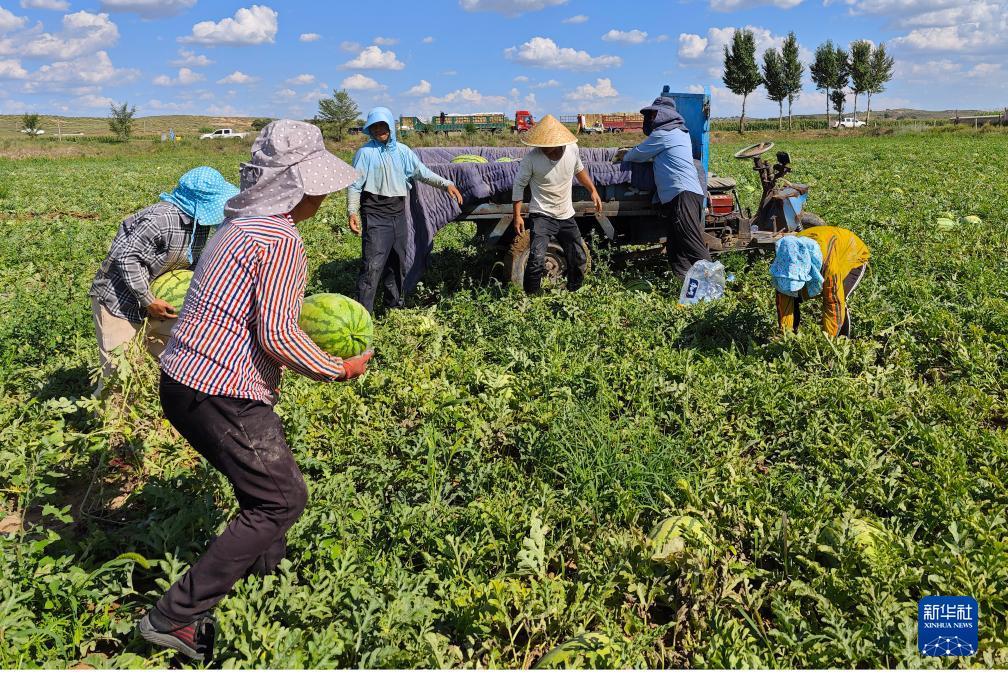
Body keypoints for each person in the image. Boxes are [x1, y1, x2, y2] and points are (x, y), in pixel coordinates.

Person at [138, 120, 371, 663]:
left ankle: (273, 581)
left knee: (262, 490)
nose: (321, 194)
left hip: (183, 379)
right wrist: (338, 368)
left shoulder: (237, 223)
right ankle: (174, 617)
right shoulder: (278, 238)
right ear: (295, 184)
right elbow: (279, 334)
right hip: (221, 389)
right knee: (282, 498)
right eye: (315, 183)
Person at [88, 167, 238, 397]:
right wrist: (148, 300)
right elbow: (126, 258)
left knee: (175, 360)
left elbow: (191, 264)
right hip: (119, 302)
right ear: (198, 202)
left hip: (157, 303)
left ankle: (165, 411)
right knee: (116, 375)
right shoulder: (160, 219)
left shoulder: (199, 225)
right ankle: (110, 426)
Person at [346, 106, 463, 314]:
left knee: (397, 262)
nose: (379, 130)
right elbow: (355, 185)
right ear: (370, 129)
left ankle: (394, 307)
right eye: (375, 127)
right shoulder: (365, 153)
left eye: (383, 126)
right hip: (375, 214)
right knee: (372, 265)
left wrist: (446, 184)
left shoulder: (403, 152)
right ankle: (363, 314)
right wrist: (352, 211)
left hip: (398, 214)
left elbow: (422, 172)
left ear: (391, 127)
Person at [617, 96, 711, 279]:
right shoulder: (679, 132)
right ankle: (683, 281)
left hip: (683, 194)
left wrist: (624, 154)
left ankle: (715, 286)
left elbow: (635, 156)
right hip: (681, 194)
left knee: (691, 243)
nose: (650, 119)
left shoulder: (664, 135)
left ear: (663, 115)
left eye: (653, 115)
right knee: (676, 246)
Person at [512, 114, 603, 294]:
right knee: (536, 259)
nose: (543, 148)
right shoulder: (531, 159)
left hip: (565, 214)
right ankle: (531, 298)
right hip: (541, 214)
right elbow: (519, 186)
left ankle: (574, 291)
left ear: (558, 142)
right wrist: (517, 216)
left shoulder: (572, 150)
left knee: (578, 256)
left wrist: (592, 189)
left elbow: (579, 170)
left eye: (547, 145)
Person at [771, 227, 870, 338]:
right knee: (793, 294)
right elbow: (784, 298)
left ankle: (841, 342)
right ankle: (792, 336)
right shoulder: (784, 261)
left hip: (852, 254)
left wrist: (827, 343)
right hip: (823, 240)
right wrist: (785, 335)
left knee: (838, 298)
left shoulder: (829, 265)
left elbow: (833, 303)